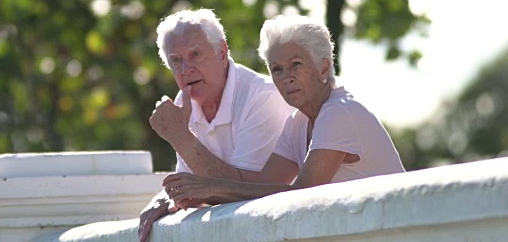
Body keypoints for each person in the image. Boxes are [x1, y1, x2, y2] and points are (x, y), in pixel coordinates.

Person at [162, 14, 405, 206]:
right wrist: (200, 194)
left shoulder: (339, 112)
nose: (286, 77)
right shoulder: (298, 121)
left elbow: (302, 193)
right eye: (276, 69)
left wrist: (210, 188)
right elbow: (262, 186)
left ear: (323, 68)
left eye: (296, 65)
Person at [138, 9, 293, 242]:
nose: (185, 69)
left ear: (222, 52)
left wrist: (180, 137)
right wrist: (167, 198)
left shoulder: (261, 97)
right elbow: (190, 187)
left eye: (195, 54)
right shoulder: (183, 102)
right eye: (176, 60)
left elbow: (244, 192)